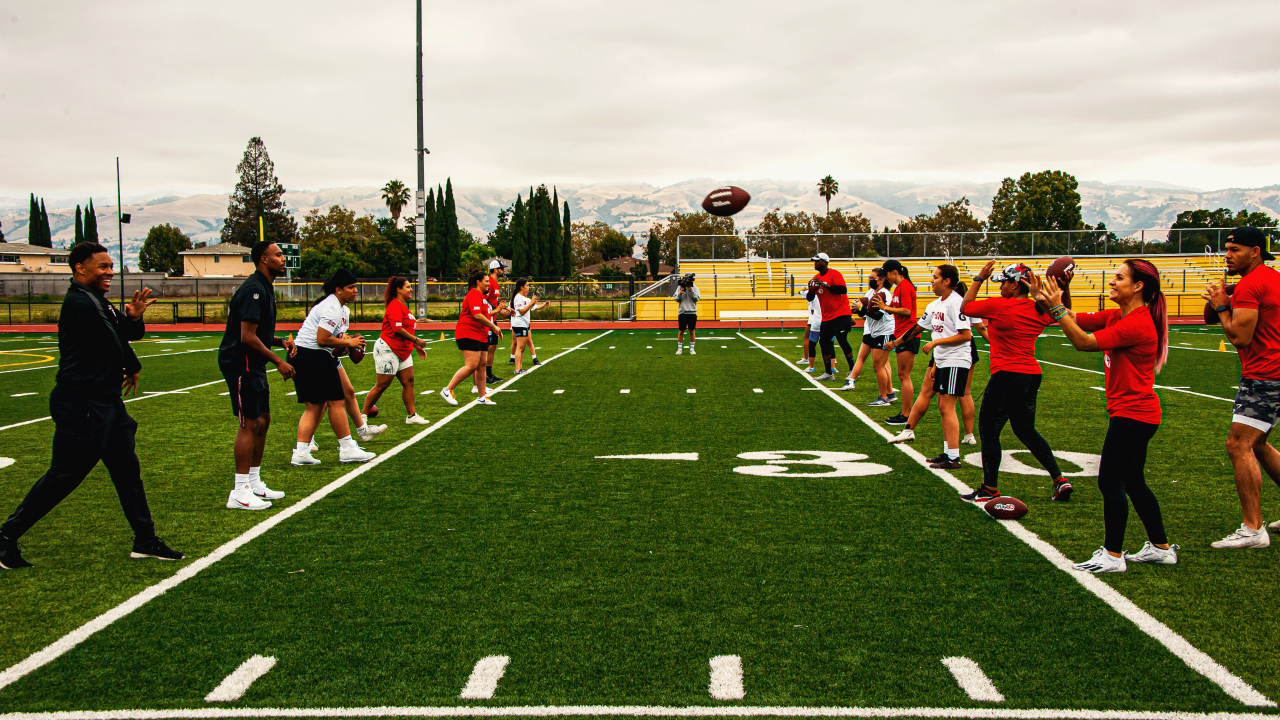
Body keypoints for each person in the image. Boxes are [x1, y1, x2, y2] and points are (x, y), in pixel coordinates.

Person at [0, 242, 182, 570]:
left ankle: (145, 539)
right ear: (80, 268)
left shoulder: (98, 301)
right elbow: (112, 341)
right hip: (82, 402)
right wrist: (133, 364)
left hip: (106, 402)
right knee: (65, 475)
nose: (110, 272)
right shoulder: (79, 302)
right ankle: (5, 536)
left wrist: (134, 319)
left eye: (111, 266)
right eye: (102, 266)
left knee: (127, 470)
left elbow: (123, 334)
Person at [1032, 260, 1177, 573]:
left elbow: (1084, 342)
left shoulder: (1137, 322)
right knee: (1134, 482)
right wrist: (1048, 299)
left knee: (1110, 481)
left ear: (1138, 286)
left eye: (1119, 278)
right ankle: (1161, 547)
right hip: (1136, 412)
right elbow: (1070, 318)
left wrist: (1056, 307)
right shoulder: (1118, 315)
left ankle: (1112, 555)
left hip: (1133, 414)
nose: (1113, 282)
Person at [953, 261, 1074, 503]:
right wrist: (1064, 288)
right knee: (1025, 430)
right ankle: (1059, 479)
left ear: (1016, 284)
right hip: (1030, 374)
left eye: (1004, 282)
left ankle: (989, 488)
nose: (1000, 287)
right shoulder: (1039, 309)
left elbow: (965, 307)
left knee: (989, 431)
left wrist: (979, 278)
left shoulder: (1000, 306)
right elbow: (1063, 311)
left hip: (1007, 374)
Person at [1203, 226, 1280, 549]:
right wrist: (1222, 301)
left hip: (1265, 374)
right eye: (1227, 249)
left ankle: (1253, 528)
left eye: (1234, 249)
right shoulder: (1271, 278)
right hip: (1274, 371)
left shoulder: (1252, 284)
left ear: (1255, 252)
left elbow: (1239, 337)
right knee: (1258, 443)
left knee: (1238, 444)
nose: (1227, 255)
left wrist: (1223, 305)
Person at [218, 241, 296, 511]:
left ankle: (254, 481)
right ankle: (239, 491)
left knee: (264, 418)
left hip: (254, 362)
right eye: (278, 255)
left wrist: (278, 342)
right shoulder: (253, 289)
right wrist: (278, 361)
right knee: (250, 422)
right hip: (241, 362)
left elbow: (259, 335)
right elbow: (246, 337)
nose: (283, 258)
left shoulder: (265, 287)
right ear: (263, 259)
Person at [884, 265, 971, 469]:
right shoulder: (934, 305)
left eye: (935, 277)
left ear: (947, 281)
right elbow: (917, 329)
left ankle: (954, 457)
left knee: (946, 407)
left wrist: (935, 343)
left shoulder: (957, 303)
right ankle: (948, 452)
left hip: (955, 360)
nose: (931, 281)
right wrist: (895, 343)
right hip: (942, 360)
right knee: (943, 407)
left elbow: (966, 335)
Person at [289, 269, 377, 466]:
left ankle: (301, 452)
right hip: (312, 355)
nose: (355, 291)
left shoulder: (342, 309)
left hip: (307, 355)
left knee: (314, 406)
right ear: (338, 290)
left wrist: (345, 346)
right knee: (337, 401)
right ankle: (347, 448)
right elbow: (321, 339)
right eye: (350, 287)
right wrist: (352, 343)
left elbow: (333, 341)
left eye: (355, 287)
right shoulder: (332, 307)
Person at [362, 276, 429, 426]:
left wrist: (415, 346)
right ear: (398, 289)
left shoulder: (403, 306)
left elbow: (406, 329)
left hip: (402, 350)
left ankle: (412, 416)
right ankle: (362, 417)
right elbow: (397, 329)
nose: (411, 289)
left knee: (409, 381)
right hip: (388, 348)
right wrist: (416, 340)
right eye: (408, 287)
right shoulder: (394, 305)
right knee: (382, 385)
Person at [442, 270, 504, 406]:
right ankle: (448, 389)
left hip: (480, 334)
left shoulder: (482, 297)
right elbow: (477, 315)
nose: (489, 284)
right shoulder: (474, 294)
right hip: (468, 333)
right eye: (486, 281)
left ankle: (482, 396)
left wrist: (492, 327)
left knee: (482, 365)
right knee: (471, 365)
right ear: (478, 282)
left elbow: (486, 316)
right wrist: (494, 327)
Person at [874, 259, 918, 425]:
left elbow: (907, 311)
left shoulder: (905, 287)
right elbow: (892, 308)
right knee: (902, 375)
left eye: (887, 275)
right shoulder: (900, 288)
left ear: (894, 272)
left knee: (904, 375)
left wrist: (884, 307)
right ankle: (905, 413)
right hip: (901, 333)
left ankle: (906, 414)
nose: (887, 279)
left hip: (908, 333)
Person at [845, 268, 893, 398]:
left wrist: (862, 308)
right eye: (870, 278)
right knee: (881, 364)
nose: (870, 281)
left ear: (882, 279)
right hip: (874, 331)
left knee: (879, 365)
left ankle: (883, 396)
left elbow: (877, 315)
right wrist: (857, 309)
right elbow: (865, 312)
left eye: (873, 278)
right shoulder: (871, 292)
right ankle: (889, 393)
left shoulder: (884, 294)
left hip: (884, 330)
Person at [808, 253, 854, 381]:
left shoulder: (835, 274)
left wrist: (824, 285)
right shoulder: (815, 277)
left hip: (841, 312)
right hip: (827, 316)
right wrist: (811, 290)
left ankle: (853, 370)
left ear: (825, 262)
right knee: (823, 342)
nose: (815, 263)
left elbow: (843, 290)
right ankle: (828, 373)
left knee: (842, 340)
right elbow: (810, 298)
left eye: (817, 261)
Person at [510, 277, 551, 374]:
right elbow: (521, 312)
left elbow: (535, 307)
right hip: (519, 324)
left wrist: (544, 305)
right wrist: (531, 303)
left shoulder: (524, 298)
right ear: (521, 287)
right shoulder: (518, 298)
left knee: (522, 347)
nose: (528, 287)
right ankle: (517, 369)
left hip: (524, 324)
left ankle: (520, 368)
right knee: (520, 347)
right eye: (527, 285)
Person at [483, 260, 510, 385]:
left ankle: (489, 373)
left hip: (493, 319)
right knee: (487, 348)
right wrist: (498, 310)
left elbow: (494, 302)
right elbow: (484, 300)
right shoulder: (490, 282)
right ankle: (483, 375)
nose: (503, 270)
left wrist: (504, 308)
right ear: (495, 269)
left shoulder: (496, 284)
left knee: (493, 346)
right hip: (487, 319)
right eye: (501, 268)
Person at [796, 287, 823, 373]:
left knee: (808, 338)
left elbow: (799, 292)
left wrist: (806, 288)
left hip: (813, 319)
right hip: (819, 318)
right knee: (827, 340)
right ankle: (832, 360)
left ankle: (807, 359)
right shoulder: (821, 293)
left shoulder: (810, 292)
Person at [673, 274, 700, 355]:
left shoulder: (695, 288)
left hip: (692, 312)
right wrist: (680, 293)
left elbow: (696, 299)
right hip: (682, 312)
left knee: (692, 331)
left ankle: (692, 349)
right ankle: (679, 349)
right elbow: (676, 299)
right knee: (681, 331)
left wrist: (691, 290)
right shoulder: (680, 287)